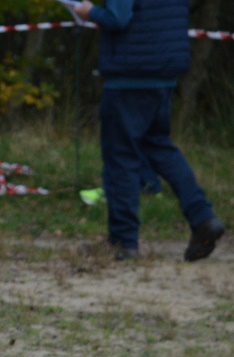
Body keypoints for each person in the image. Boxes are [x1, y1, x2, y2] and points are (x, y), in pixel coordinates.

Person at [76, 0, 224, 261]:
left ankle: (122, 242)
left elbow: (118, 18)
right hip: (163, 72)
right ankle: (203, 218)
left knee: (120, 158)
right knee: (158, 145)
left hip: (130, 75)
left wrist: (90, 12)